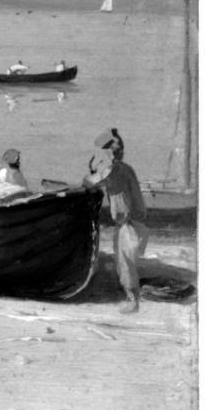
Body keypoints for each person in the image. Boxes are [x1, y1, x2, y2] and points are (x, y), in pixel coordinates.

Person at [83, 128, 147, 313]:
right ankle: (132, 300)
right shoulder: (124, 168)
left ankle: (133, 303)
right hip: (131, 224)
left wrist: (94, 168)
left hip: (129, 225)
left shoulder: (115, 169)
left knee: (126, 266)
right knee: (125, 264)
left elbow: (90, 181)